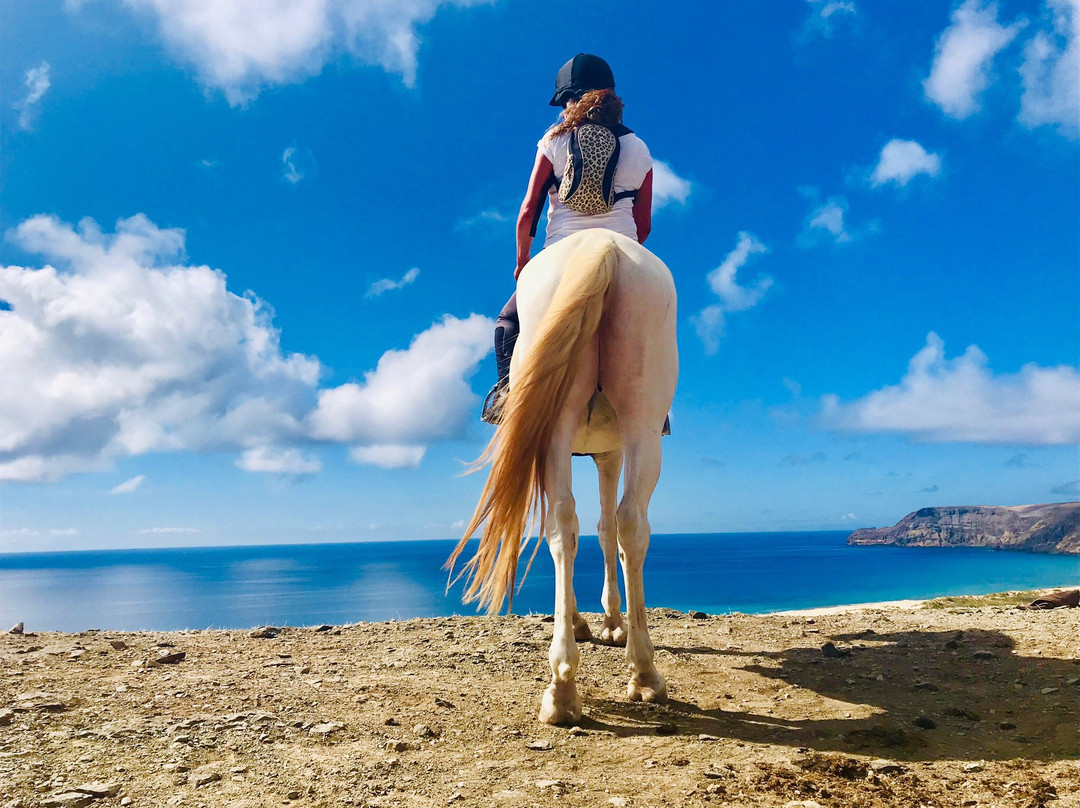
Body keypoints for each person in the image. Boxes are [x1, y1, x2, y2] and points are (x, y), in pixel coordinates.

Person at [482, 53, 654, 423]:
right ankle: (657, 410)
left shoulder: (554, 140)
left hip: (559, 250)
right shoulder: (640, 149)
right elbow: (644, 225)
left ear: (570, 100)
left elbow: (528, 211)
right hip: (623, 253)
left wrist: (523, 264)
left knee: (506, 324)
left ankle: (507, 398)